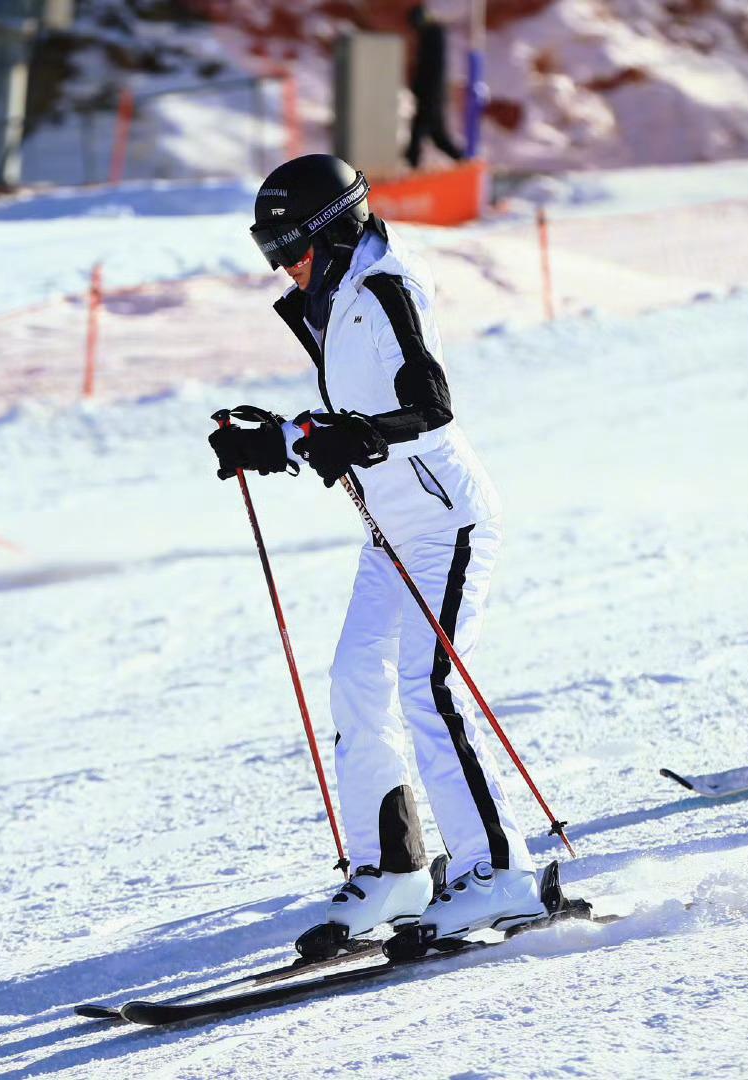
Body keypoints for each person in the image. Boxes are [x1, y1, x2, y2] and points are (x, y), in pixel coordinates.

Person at [211, 154, 539, 953]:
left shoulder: (387, 285)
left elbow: (427, 407)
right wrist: (281, 440)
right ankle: (395, 867)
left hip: (446, 521)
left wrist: (350, 434)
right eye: (268, 248)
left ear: (332, 231)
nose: (282, 263)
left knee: (430, 688)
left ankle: (501, 871)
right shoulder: (328, 298)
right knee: (356, 679)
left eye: (288, 243)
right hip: (389, 532)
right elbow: (350, 419)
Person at [404, 4, 465, 170]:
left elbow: (430, 69)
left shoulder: (433, 31)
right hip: (428, 89)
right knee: (433, 134)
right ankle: (467, 163)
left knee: (430, 132)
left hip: (429, 90)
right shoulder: (432, 31)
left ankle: (468, 164)